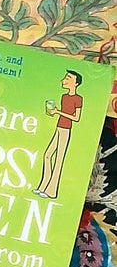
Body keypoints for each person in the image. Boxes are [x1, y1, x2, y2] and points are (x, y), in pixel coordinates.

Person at [35, 69, 84, 198]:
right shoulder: (64, 96)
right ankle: (43, 186)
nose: (64, 80)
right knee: (47, 155)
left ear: (76, 83)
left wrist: (58, 112)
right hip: (59, 127)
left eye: (68, 78)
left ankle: (51, 191)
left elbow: (76, 118)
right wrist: (54, 112)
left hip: (66, 129)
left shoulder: (78, 98)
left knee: (59, 160)